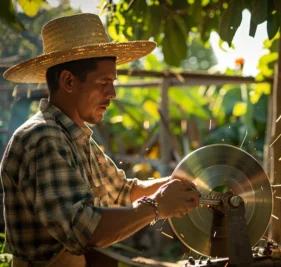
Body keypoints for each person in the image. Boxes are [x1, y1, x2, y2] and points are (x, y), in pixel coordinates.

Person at [0, 13, 200, 266]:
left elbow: (122, 192)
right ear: (69, 81)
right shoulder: (43, 138)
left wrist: (180, 182)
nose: (113, 93)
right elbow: (81, 230)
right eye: (104, 82)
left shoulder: (75, 137)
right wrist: (157, 206)